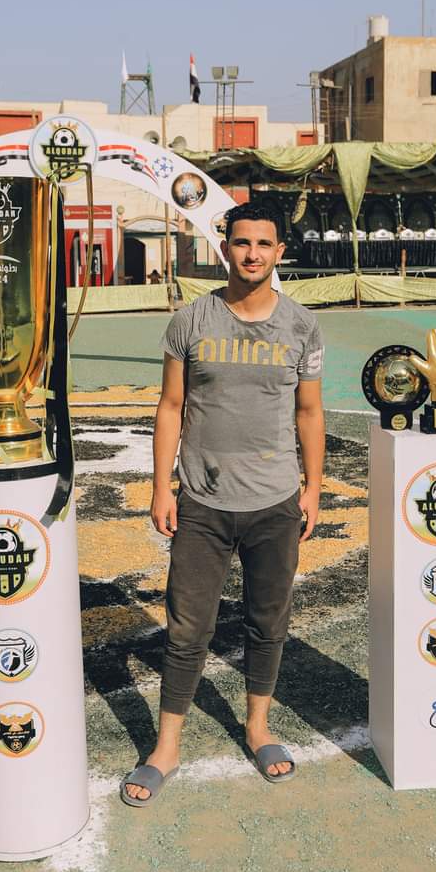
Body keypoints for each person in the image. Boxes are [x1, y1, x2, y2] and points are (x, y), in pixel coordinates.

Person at [121, 200, 325, 805]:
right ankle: (166, 746)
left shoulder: (302, 326)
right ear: (225, 247)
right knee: (188, 628)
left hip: (275, 501)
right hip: (203, 503)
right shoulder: (191, 320)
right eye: (241, 242)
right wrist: (162, 486)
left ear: (279, 251)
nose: (251, 254)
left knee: (268, 621)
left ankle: (258, 726)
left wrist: (313, 487)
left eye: (263, 244)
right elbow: (171, 407)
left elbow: (309, 413)